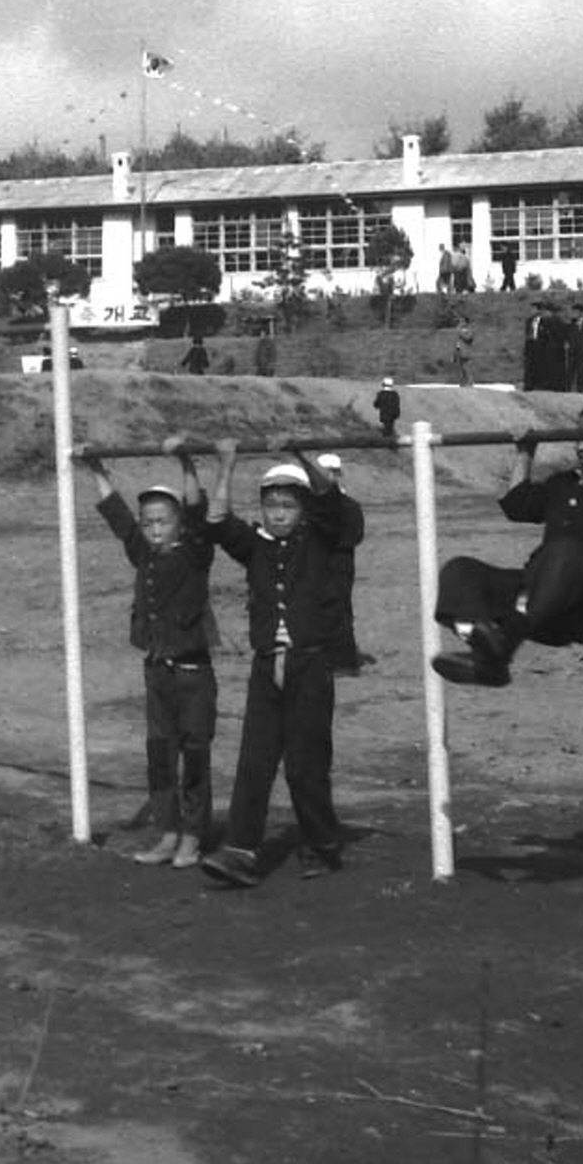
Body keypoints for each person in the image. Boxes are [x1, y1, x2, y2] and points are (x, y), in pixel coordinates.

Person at [199, 444, 352, 886]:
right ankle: (240, 852)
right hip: (267, 666)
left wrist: (302, 455)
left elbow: (329, 500)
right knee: (255, 760)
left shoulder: (320, 540)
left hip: (310, 665)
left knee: (306, 764)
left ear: (303, 510)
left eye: (288, 506)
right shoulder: (257, 547)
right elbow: (216, 521)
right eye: (270, 505)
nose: (278, 514)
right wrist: (226, 464)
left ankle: (323, 843)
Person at [430, 396, 583, 689]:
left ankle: (505, 642)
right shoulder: (564, 482)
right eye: (578, 438)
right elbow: (517, 506)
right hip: (541, 601)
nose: (580, 446)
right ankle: (486, 654)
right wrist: (525, 454)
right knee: (461, 571)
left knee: (567, 550)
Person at [77, 437, 222, 868]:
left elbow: (198, 512)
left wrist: (185, 463)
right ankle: (168, 831)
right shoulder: (144, 555)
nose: (155, 528)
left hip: (194, 674)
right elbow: (120, 519)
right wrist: (97, 470)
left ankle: (193, 835)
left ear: (177, 523)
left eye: (163, 520)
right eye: (150, 522)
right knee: (160, 756)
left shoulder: (196, 554)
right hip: (157, 672)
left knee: (194, 756)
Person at [315, 453, 369, 672]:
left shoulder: (347, 506)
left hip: (338, 561)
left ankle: (343, 660)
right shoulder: (347, 505)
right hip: (332, 560)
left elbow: (355, 535)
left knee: (338, 608)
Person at [372, 376, 401, 442]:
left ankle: (387, 440)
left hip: (384, 414)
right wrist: (397, 414)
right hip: (392, 415)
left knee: (386, 428)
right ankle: (390, 440)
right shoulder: (395, 394)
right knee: (390, 427)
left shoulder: (381, 394)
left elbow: (376, 404)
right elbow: (397, 405)